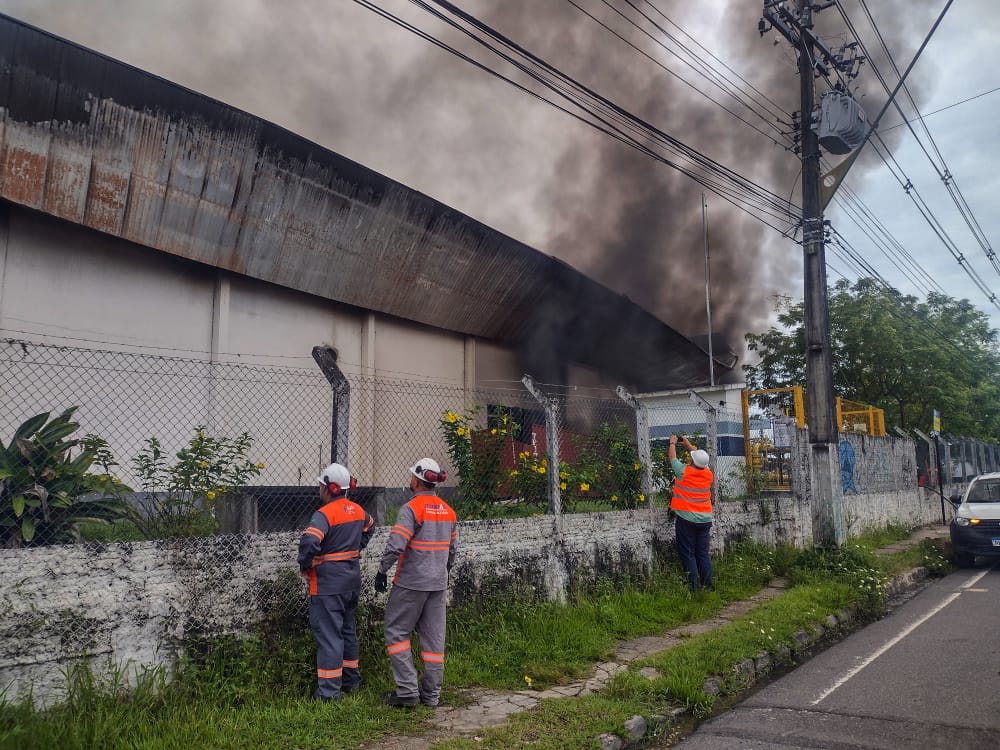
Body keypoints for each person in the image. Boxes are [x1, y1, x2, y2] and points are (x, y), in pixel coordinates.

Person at [374, 457, 458, 708]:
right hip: (437, 583)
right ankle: (431, 696)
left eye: (412, 476)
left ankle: (408, 691)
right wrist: (443, 572)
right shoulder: (449, 511)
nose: (409, 479)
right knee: (434, 641)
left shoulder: (411, 509)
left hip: (411, 583)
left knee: (396, 631)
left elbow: (396, 545)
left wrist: (381, 570)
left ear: (418, 480)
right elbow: (452, 551)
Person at [298, 462, 375, 702]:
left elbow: (309, 542)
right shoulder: (357, 510)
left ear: (330, 488)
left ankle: (329, 693)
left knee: (330, 636)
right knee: (348, 632)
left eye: (321, 485)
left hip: (328, 586)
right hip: (351, 583)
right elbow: (370, 528)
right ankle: (351, 682)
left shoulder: (324, 514)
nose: (319, 489)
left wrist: (306, 564)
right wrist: (355, 549)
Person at [669, 435, 714, 591]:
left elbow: (673, 458)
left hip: (687, 519)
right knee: (703, 554)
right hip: (705, 520)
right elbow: (700, 460)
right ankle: (708, 586)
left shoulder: (683, 472)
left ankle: (694, 589)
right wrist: (688, 444)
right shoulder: (708, 474)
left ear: (692, 461)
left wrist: (673, 443)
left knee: (688, 554)